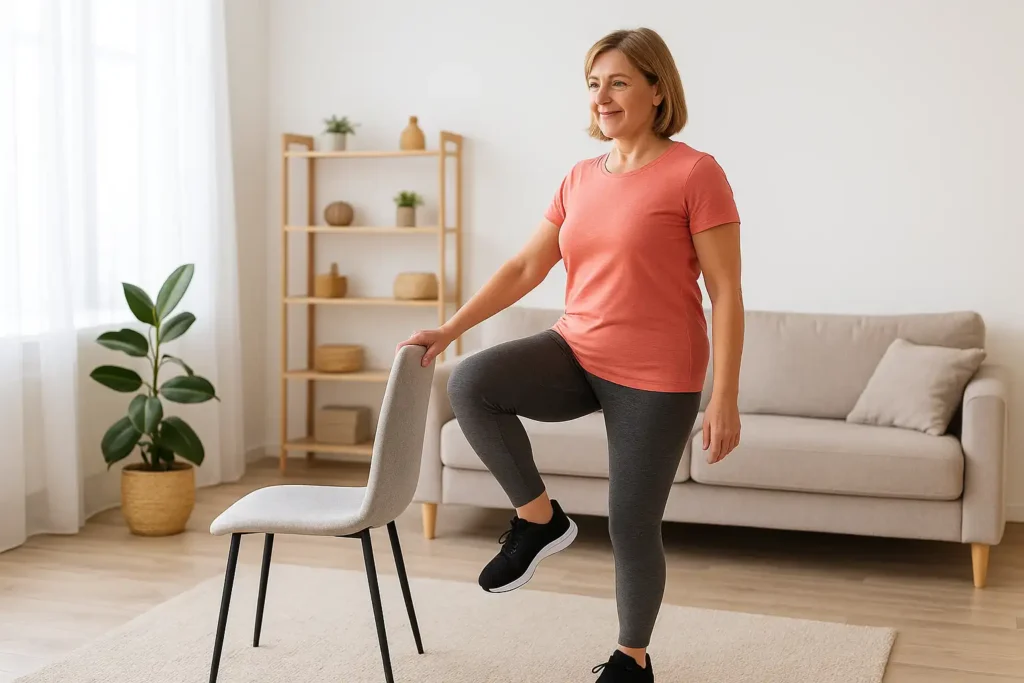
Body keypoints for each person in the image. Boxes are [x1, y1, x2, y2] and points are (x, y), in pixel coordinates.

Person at [397, 26, 744, 683]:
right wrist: (448, 329)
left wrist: (722, 396)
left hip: (659, 373)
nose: (601, 97)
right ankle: (539, 518)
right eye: (593, 84)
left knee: (632, 521)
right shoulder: (580, 177)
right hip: (577, 348)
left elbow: (726, 292)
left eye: (617, 81)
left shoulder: (696, 172)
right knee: (472, 381)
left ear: (656, 89)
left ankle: (631, 658)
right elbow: (528, 264)